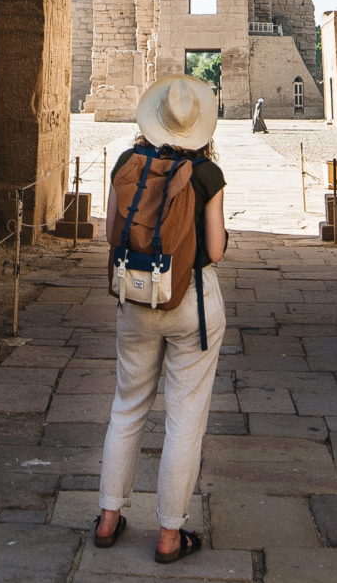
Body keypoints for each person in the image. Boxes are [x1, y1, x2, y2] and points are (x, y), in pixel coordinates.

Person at [94, 75, 227, 565]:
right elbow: (213, 251)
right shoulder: (207, 174)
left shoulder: (128, 165)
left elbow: (111, 232)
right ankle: (170, 533)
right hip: (190, 299)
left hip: (137, 296)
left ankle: (109, 516)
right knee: (185, 420)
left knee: (127, 407)